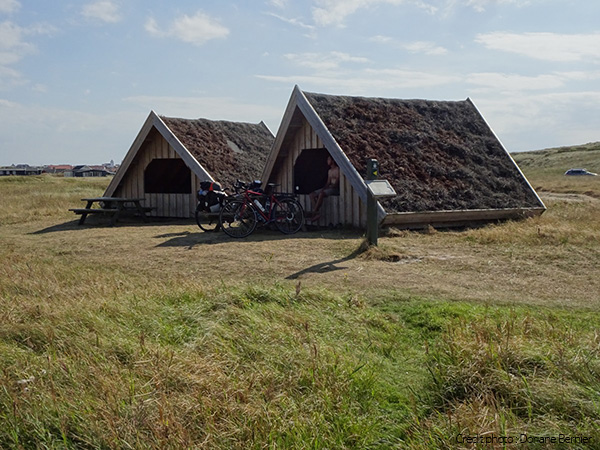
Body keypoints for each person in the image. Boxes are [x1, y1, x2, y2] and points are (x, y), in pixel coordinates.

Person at [309, 155, 339, 221]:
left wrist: (330, 187)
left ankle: (314, 214)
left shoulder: (337, 170)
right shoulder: (329, 171)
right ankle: (317, 213)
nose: (327, 161)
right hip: (329, 188)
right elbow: (328, 182)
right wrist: (324, 188)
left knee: (321, 194)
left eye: (329, 159)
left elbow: (336, 183)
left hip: (334, 189)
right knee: (312, 195)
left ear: (333, 161)